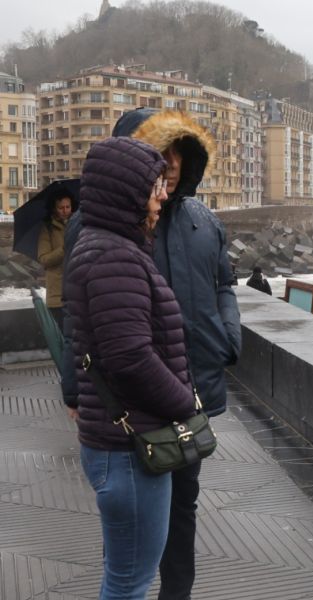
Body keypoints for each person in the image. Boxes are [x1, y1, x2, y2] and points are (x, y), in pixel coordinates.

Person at [112, 107, 242, 600]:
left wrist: (229, 336)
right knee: (133, 511)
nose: (169, 161)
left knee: (184, 503)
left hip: (194, 391)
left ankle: (177, 594)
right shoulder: (103, 224)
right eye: (158, 150)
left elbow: (225, 283)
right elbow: (82, 315)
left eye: (177, 151)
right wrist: (73, 389)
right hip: (132, 400)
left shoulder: (203, 220)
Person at [66, 137, 198, 599]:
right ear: (127, 193)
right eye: (154, 188)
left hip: (119, 444)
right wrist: (186, 404)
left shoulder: (107, 247)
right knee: (129, 584)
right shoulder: (114, 257)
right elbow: (130, 359)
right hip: (129, 450)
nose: (162, 197)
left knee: (125, 577)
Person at [37, 194, 72, 331]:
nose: (65, 211)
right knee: (65, 335)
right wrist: (64, 249)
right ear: (54, 209)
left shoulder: (78, 225)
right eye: (61, 208)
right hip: (58, 295)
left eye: (68, 207)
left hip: (77, 293)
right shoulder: (48, 229)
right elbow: (44, 259)